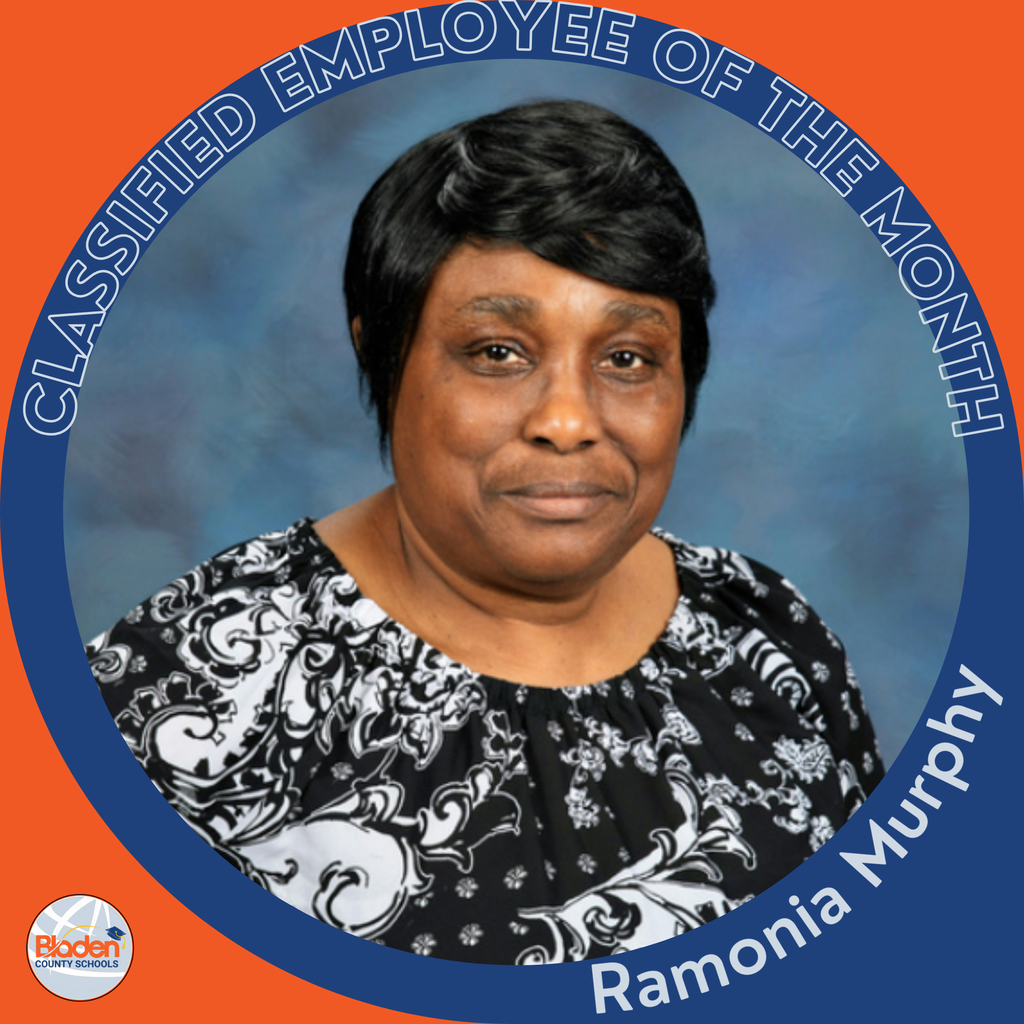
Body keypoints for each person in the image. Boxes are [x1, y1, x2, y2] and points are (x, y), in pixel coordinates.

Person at [87, 100, 884, 965]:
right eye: (498, 352)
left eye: (627, 359)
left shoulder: (767, 639)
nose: (570, 421)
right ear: (382, 356)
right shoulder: (185, 687)